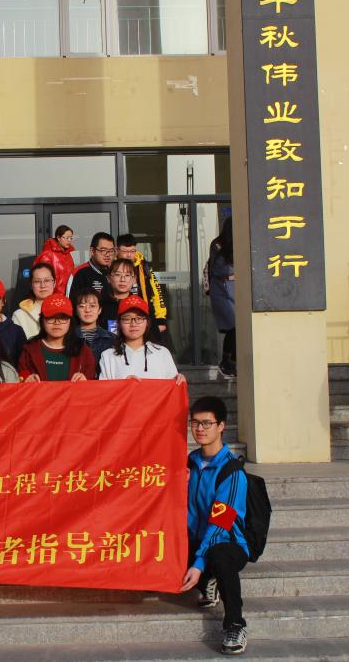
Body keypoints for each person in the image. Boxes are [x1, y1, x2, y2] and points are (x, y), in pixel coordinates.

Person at [179, 396, 250, 656]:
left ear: (221, 426)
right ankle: (208, 581)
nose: (200, 429)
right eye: (195, 423)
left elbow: (220, 524)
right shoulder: (191, 462)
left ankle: (235, 625)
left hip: (228, 543)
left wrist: (198, 563)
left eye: (207, 423)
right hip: (196, 538)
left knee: (219, 555)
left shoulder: (231, 471)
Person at [99, 296, 185, 384]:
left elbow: (172, 388)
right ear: (119, 323)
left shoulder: (162, 353)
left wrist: (178, 380)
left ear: (147, 322)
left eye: (139, 318)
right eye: (127, 319)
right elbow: (104, 391)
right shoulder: (108, 356)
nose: (133, 324)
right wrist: (124, 385)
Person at [18, 293, 95, 382]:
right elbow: (20, 377)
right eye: (51, 318)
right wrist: (26, 380)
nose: (57, 323)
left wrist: (86, 382)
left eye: (62, 318)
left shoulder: (83, 350)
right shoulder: (29, 350)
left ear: (70, 321)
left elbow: (93, 384)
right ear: (42, 320)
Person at [117, 234, 168, 335]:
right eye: (125, 251)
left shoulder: (144, 266)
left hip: (144, 317)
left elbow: (157, 293)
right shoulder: (112, 267)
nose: (129, 255)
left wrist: (160, 319)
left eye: (132, 251)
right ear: (117, 250)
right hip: (121, 318)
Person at [208, 218, 237, 378]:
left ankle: (230, 362)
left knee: (237, 326)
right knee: (233, 325)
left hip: (235, 288)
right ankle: (226, 362)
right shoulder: (218, 244)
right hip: (221, 289)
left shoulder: (239, 241)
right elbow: (219, 268)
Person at [73, 287, 115, 375]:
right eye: (82, 306)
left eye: (92, 306)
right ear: (76, 311)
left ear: (99, 310)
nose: (87, 310)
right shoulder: (68, 338)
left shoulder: (112, 339)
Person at [12, 262, 56, 340]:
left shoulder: (65, 311)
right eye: (37, 281)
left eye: (47, 280)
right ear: (31, 285)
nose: (43, 285)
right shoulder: (19, 315)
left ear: (54, 283)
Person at [67, 232, 115, 300]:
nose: (107, 254)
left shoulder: (115, 273)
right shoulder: (79, 273)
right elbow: (69, 302)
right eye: (103, 250)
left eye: (111, 250)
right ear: (92, 251)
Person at [99, 258, 139, 335]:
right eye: (117, 274)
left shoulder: (139, 305)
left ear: (134, 279)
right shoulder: (99, 304)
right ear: (109, 278)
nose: (122, 279)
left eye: (127, 275)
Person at [34, 225, 76, 295]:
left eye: (71, 238)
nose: (69, 240)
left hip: (67, 295)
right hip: (52, 296)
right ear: (58, 238)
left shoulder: (69, 255)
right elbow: (42, 279)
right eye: (67, 238)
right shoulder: (47, 255)